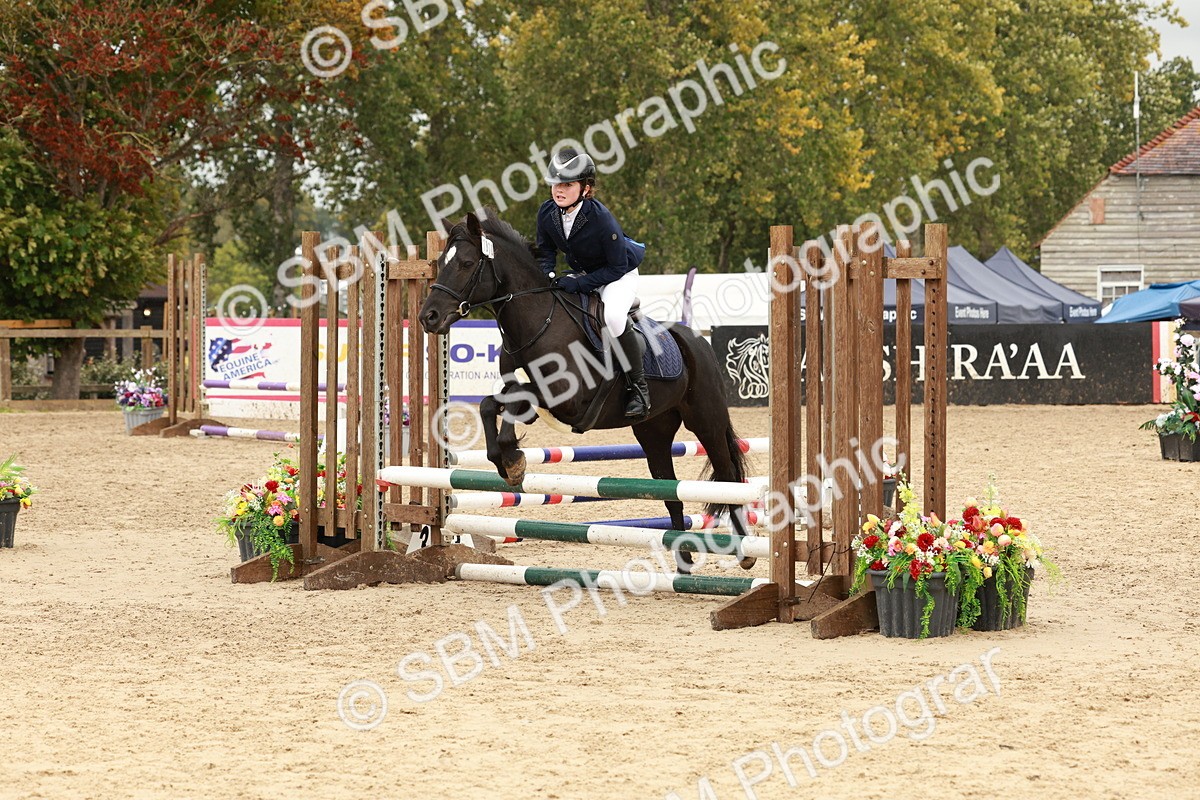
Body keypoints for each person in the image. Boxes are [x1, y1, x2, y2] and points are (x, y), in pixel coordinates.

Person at [535, 148, 651, 418]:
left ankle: (639, 389)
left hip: (619, 274)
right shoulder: (547, 212)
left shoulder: (600, 218)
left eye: (567, 184)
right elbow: (546, 251)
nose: (558, 190)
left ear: (585, 188)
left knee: (611, 316)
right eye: (555, 183)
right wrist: (548, 276)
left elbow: (617, 266)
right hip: (586, 273)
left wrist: (582, 284)